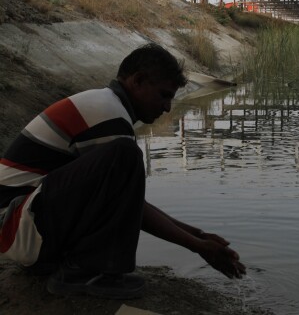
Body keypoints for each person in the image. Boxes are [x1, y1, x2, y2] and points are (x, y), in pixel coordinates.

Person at [0, 42, 245, 299]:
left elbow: (126, 201)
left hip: (26, 220)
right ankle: (83, 272)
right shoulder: (109, 113)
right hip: (15, 222)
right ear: (138, 81)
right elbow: (135, 208)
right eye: (164, 95)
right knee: (125, 156)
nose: (167, 108)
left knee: (124, 158)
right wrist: (198, 246)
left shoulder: (107, 105)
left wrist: (199, 235)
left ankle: (79, 267)